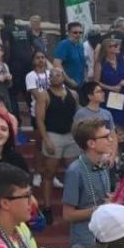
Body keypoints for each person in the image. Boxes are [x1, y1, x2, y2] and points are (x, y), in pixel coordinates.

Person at [63, 117, 115, 248]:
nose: (111, 139)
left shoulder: (102, 165)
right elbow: (67, 215)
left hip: (104, 237)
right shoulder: (75, 171)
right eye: (105, 136)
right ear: (91, 143)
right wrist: (100, 209)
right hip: (85, 241)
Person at [36, 67, 79, 224]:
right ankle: (47, 207)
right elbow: (40, 119)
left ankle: (73, 204)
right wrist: (46, 140)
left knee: (74, 172)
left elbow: (77, 115)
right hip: (53, 134)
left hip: (70, 135)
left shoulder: (73, 94)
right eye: (52, 75)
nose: (55, 77)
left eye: (59, 74)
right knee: (49, 173)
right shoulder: (44, 95)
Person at [95, 37, 124, 129]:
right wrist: (111, 88)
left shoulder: (123, 58)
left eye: (117, 45)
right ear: (106, 49)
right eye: (112, 46)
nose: (116, 47)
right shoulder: (100, 63)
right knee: (113, 123)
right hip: (109, 94)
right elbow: (96, 82)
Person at [55, 21, 86, 90]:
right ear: (68, 33)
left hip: (80, 84)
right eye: (75, 32)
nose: (78, 34)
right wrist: (69, 80)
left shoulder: (80, 46)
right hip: (68, 85)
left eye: (80, 32)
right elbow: (57, 65)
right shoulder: (64, 45)